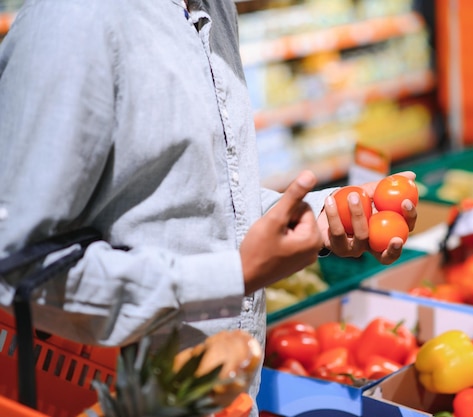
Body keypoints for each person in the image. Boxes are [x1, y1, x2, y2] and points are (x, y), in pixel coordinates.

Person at [0, 0, 418, 414]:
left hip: (227, 398)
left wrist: (316, 216)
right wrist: (231, 276)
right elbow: (15, 266)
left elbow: (193, 203)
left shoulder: (214, 9)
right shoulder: (73, 21)